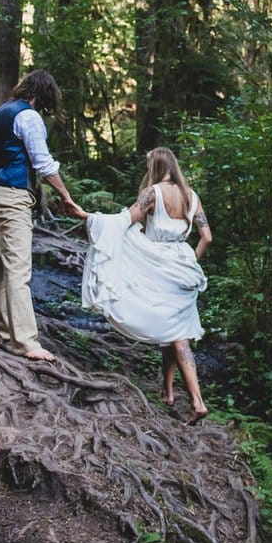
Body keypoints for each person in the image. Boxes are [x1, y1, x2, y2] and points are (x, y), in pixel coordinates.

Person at [80, 147, 215, 424]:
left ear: (156, 166)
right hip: (185, 267)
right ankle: (168, 391)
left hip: (159, 265)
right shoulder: (191, 195)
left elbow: (125, 220)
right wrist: (190, 260)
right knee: (173, 329)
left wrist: (87, 217)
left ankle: (197, 401)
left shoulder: (152, 193)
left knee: (179, 337)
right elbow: (207, 237)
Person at [0, 70, 83, 362]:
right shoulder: (29, 117)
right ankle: (26, 343)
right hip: (13, 196)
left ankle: (4, 332)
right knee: (18, 270)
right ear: (42, 94)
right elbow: (44, 164)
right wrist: (66, 195)